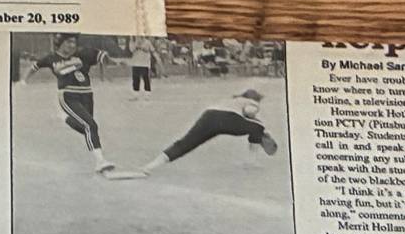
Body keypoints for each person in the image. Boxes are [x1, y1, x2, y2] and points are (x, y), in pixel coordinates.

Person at [111, 86, 280, 178]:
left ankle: (149, 167)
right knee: (258, 126)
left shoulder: (232, 99)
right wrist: (259, 125)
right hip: (228, 118)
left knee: (185, 143)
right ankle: (252, 160)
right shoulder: (251, 102)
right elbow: (250, 111)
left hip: (208, 115)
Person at [21, 35, 121, 173]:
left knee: (86, 129)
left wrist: (112, 61)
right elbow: (34, 67)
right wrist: (24, 81)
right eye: (68, 42)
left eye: (74, 42)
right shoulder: (51, 58)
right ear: (60, 43)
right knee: (91, 125)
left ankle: (64, 118)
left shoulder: (83, 54)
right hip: (68, 95)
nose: (72, 45)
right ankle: (100, 161)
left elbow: (102, 56)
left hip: (87, 95)